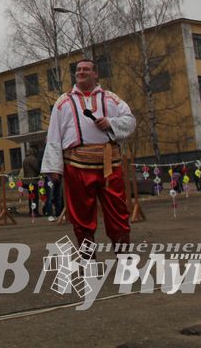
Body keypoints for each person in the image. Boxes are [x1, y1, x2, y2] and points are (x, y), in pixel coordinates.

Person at [41, 59, 136, 253]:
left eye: (86, 69)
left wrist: (110, 123)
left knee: (118, 213)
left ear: (96, 74)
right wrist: (54, 168)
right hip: (76, 165)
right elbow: (54, 135)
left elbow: (130, 121)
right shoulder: (62, 101)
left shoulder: (111, 99)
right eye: (78, 70)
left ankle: (124, 258)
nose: (81, 72)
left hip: (110, 164)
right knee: (81, 217)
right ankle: (88, 260)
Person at [21, 146, 42, 220]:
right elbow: (37, 169)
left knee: (31, 197)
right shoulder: (33, 159)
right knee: (35, 197)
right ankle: (35, 212)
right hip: (33, 181)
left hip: (27, 181)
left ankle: (31, 211)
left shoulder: (25, 160)